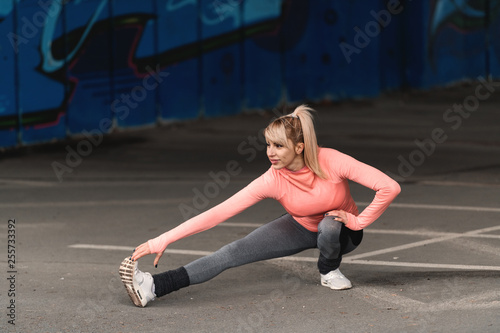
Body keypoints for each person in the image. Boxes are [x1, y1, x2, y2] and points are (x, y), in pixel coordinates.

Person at [119, 105, 401, 307]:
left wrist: (357, 221)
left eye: (278, 146)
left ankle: (328, 270)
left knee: (328, 226)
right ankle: (154, 287)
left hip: (343, 232)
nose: (270, 152)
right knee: (231, 252)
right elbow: (219, 212)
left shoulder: (331, 160)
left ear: (299, 148)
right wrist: (164, 238)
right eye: (267, 145)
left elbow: (389, 186)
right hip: (300, 226)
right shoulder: (272, 179)